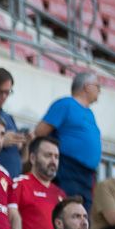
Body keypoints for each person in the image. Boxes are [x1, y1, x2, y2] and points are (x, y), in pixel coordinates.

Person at [34, 73, 102, 205]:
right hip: (68, 170)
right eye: (98, 86)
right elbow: (40, 132)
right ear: (87, 87)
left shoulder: (90, 113)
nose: (100, 91)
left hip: (87, 176)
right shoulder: (66, 104)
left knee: (81, 216)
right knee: (67, 210)